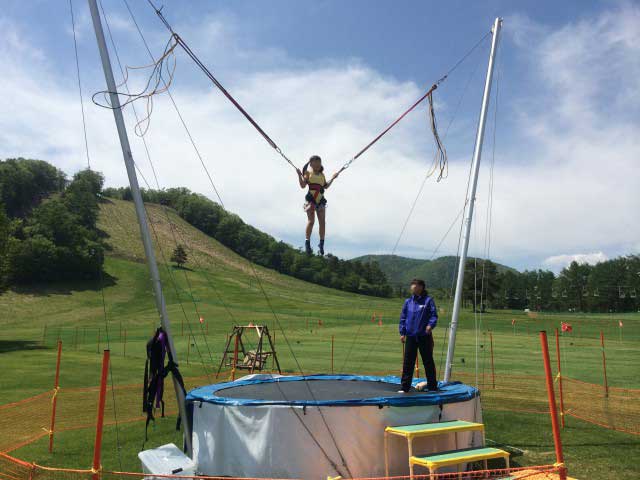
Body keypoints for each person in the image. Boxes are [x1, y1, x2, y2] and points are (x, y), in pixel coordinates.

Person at [398, 278, 438, 393]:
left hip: (424, 336)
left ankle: (432, 387)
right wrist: (402, 332)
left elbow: (433, 315)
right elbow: (403, 317)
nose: (413, 287)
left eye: (415, 285)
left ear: (421, 287)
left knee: (428, 361)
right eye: (412, 285)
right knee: (408, 362)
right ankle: (405, 387)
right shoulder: (408, 302)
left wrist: (430, 325)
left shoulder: (428, 301)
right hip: (410, 336)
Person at [296, 155, 339, 255]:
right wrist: (299, 175)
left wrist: (333, 178)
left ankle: (321, 243)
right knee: (311, 221)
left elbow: (326, 186)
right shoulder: (307, 173)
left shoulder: (322, 175)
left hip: (320, 201)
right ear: (311, 164)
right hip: (310, 200)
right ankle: (307, 243)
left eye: (319, 164)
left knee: (322, 223)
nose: (318, 166)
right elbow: (303, 185)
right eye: (316, 164)